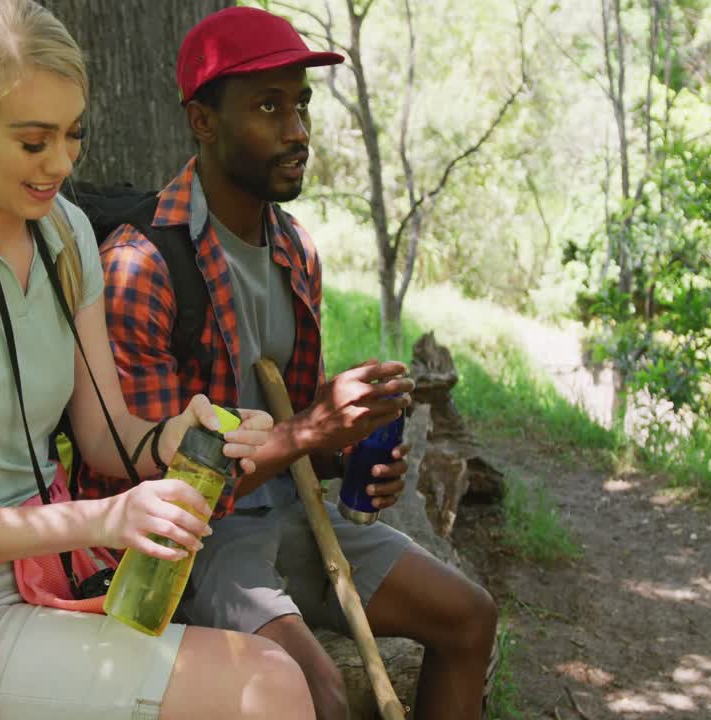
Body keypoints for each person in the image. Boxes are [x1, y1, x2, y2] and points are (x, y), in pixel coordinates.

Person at [0, 2, 316, 719]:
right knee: (267, 686)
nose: (60, 163)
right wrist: (100, 521)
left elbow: (105, 436)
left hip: (51, 576)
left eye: (73, 134)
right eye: (34, 141)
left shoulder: (65, 234)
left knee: (268, 677)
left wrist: (178, 436)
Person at [88, 7, 499, 719]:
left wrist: (346, 449)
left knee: (469, 617)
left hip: (294, 515)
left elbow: (298, 435)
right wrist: (310, 430)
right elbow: (162, 489)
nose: (297, 131)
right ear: (202, 121)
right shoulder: (140, 264)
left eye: (302, 105)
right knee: (317, 692)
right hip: (198, 546)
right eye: (269, 107)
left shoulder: (294, 249)